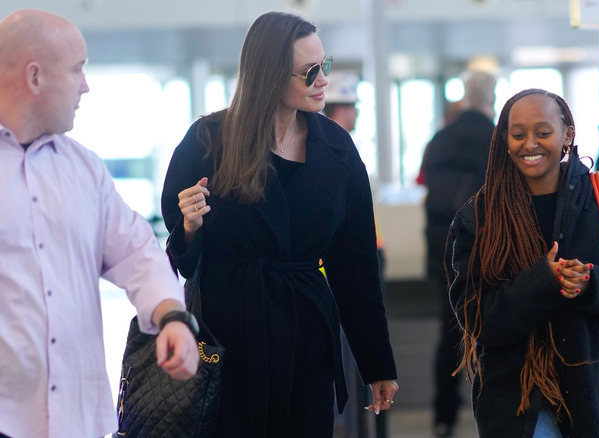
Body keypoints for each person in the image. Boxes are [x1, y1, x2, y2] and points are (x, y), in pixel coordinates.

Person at [160, 11, 399, 437]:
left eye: (324, 65)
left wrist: (376, 363)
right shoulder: (207, 142)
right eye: (310, 72)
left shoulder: (337, 149)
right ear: (270, 75)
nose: (323, 80)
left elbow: (356, 267)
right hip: (226, 336)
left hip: (306, 335)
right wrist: (190, 227)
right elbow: (180, 255)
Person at [0, 9, 199, 438]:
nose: (85, 87)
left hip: (77, 416)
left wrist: (172, 317)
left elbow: (135, 252)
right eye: (76, 70)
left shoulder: (83, 170)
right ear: (35, 78)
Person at [447, 88, 599, 437]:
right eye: (518, 134)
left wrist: (592, 284)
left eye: (543, 132)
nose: (529, 144)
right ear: (504, 138)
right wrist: (541, 282)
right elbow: (474, 316)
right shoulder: (479, 216)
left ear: (568, 134)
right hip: (518, 407)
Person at [421, 69, 496, 437]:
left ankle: (442, 418)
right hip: (487, 249)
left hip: (442, 250)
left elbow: (425, 186)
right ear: (492, 98)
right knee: (494, 329)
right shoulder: (497, 139)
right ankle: (495, 414)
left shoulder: (440, 138)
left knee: (449, 331)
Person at [323, 70, 384, 438]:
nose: (357, 114)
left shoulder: (334, 149)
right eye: (353, 106)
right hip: (328, 278)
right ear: (339, 108)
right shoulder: (331, 150)